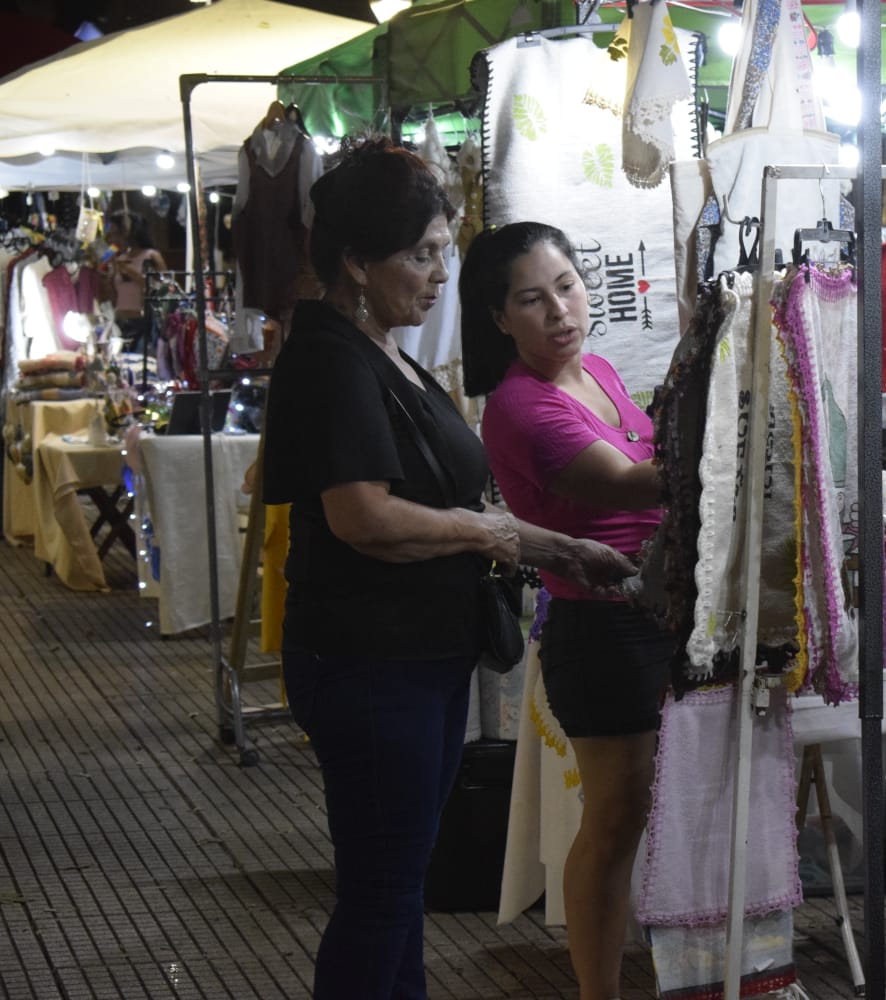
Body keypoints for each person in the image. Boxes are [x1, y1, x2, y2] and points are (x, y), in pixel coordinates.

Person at [261, 140, 636, 1000]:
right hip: (370, 662)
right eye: (421, 254)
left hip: (414, 658)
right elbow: (363, 517)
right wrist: (488, 533)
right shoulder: (333, 359)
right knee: (383, 893)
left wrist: (563, 549)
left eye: (442, 250)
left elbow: (451, 508)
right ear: (357, 262)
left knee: (398, 889)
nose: (440, 275)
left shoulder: (380, 350)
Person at [460, 222, 670, 1000]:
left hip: (659, 613)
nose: (558, 310)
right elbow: (629, 482)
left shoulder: (601, 372)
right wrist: (738, 436)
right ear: (499, 318)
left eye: (567, 286)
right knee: (613, 821)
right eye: (531, 299)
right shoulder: (519, 406)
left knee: (637, 813)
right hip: (602, 629)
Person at [105, 216, 165, 352]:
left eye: (117, 233)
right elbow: (115, 294)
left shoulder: (151, 256)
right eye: (112, 234)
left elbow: (160, 287)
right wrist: (108, 279)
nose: (114, 239)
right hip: (119, 321)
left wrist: (128, 270)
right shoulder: (120, 258)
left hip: (142, 322)